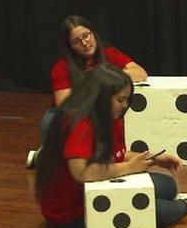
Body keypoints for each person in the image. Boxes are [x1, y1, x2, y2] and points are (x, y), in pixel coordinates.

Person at [35, 63, 187, 228]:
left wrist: (152, 159)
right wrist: (130, 168)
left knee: (168, 185)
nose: (125, 105)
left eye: (127, 99)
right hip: (73, 211)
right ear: (101, 97)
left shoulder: (111, 117)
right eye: (120, 99)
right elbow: (81, 172)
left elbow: (115, 154)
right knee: (159, 212)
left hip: (99, 187)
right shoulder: (79, 123)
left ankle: (174, 199)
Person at [26, 15, 149, 168]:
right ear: (70, 46)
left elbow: (140, 72)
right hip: (79, 113)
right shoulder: (62, 66)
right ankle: (48, 156)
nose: (84, 43)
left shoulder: (109, 54)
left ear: (93, 33)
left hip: (104, 112)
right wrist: (95, 82)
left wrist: (110, 77)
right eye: (77, 42)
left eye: (86, 36)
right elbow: (64, 102)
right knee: (50, 120)